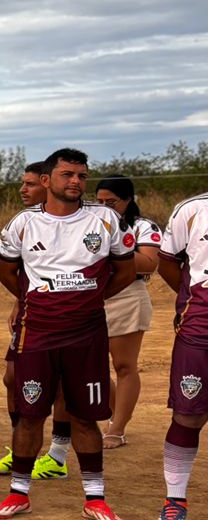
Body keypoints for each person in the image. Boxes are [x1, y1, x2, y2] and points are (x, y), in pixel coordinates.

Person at [0, 149, 134, 520]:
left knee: (84, 417)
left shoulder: (105, 220)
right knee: (30, 415)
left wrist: (90, 298)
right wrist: (34, 300)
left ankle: (95, 499)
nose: (76, 182)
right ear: (48, 179)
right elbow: (7, 273)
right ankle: (18, 494)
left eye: (82, 176)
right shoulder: (22, 223)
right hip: (37, 333)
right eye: (67, 174)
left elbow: (125, 271)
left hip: (87, 334)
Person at [0, 162, 70, 474]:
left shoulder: (72, 223)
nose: (23, 189)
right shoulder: (24, 222)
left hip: (67, 317)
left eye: (30, 184)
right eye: (23, 183)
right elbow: (15, 272)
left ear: (48, 184)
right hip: (30, 313)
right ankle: (20, 447)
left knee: (61, 384)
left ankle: (57, 455)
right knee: (12, 378)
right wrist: (21, 301)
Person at [95, 177, 163, 448]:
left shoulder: (142, 226)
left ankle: (118, 428)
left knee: (124, 365)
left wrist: (114, 246)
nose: (104, 207)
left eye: (111, 202)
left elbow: (148, 263)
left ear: (128, 200)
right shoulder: (87, 223)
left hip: (127, 296)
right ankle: (115, 413)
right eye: (99, 201)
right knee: (92, 365)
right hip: (90, 296)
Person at [158, 190, 208, 520]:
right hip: (200, 328)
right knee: (188, 415)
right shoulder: (192, 209)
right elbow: (166, 262)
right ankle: (175, 500)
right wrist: (192, 302)